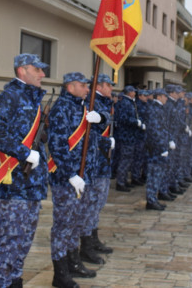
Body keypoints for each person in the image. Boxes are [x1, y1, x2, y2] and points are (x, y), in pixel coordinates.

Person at [0, 54, 49, 288]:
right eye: (37, 69)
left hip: (31, 184)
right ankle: (2, 283)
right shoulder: (9, 97)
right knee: (11, 241)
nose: (42, 74)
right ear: (22, 70)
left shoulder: (32, 98)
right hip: (14, 184)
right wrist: (24, 153)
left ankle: (15, 280)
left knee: (24, 240)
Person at [47, 72, 102, 288]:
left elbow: (101, 126)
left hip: (83, 176)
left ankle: (73, 262)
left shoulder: (82, 107)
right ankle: (60, 273)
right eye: (83, 85)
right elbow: (58, 145)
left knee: (74, 223)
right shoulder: (62, 108)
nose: (87, 89)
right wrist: (70, 174)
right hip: (66, 179)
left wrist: (100, 118)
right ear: (70, 87)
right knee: (63, 225)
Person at [78, 74, 116, 266]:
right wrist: (105, 142)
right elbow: (87, 134)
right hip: (95, 161)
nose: (111, 88)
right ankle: (87, 244)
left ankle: (93, 238)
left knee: (98, 203)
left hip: (102, 160)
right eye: (108, 85)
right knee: (91, 204)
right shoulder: (91, 102)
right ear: (99, 86)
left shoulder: (104, 102)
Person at [144, 88, 173, 210]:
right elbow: (154, 131)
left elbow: (164, 128)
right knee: (154, 174)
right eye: (165, 96)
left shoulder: (160, 108)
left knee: (158, 173)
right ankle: (151, 200)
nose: (166, 98)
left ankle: (153, 199)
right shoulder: (154, 109)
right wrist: (162, 147)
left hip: (161, 146)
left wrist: (169, 140)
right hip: (156, 148)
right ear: (159, 97)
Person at [113, 85, 144, 192]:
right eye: (133, 91)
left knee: (128, 160)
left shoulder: (130, 102)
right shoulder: (125, 103)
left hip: (130, 135)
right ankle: (120, 182)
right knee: (125, 159)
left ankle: (124, 181)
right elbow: (123, 118)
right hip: (126, 136)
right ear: (129, 92)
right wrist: (136, 122)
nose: (135, 93)